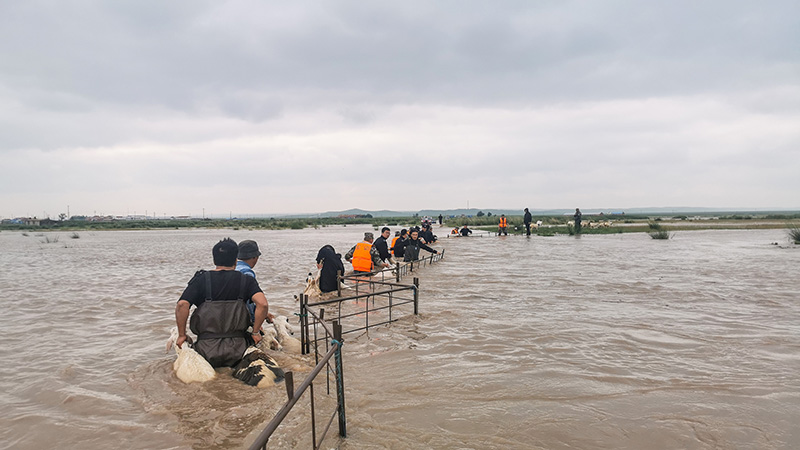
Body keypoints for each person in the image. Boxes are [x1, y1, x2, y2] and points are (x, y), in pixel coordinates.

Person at [175, 238, 273, 368]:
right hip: (239, 349)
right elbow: (263, 304)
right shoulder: (246, 280)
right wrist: (255, 332)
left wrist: (182, 335)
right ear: (235, 259)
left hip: (205, 349)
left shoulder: (200, 279)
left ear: (214, 260)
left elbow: (182, 305)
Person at [236, 240, 261, 323]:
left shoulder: (232, 268)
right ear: (255, 257)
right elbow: (250, 301)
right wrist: (255, 321)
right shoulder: (247, 273)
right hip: (243, 318)